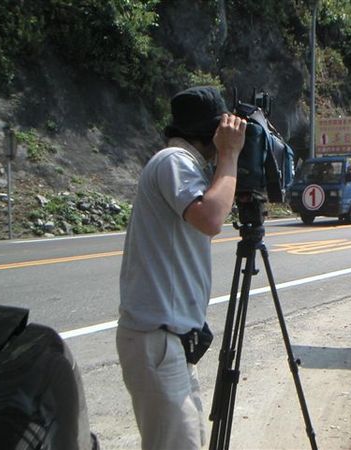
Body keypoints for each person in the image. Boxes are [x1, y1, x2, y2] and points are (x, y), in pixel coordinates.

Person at [116, 86, 246, 450]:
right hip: (157, 339)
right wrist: (230, 156)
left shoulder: (182, 164)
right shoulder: (174, 160)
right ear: (212, 133)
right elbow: (210, 217)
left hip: (168, 341)